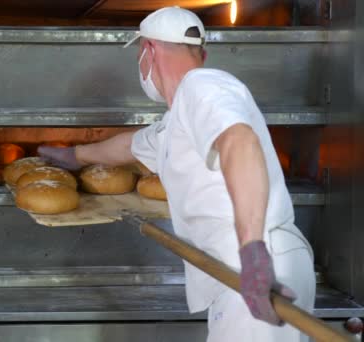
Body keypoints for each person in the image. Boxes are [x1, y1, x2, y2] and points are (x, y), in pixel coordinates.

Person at [38, 7, 315, 342]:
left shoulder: (204, 85)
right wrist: (74, 155)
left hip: (256, 268)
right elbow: (129, 147)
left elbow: (239, 142)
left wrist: (252, 250)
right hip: (243, 271)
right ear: (202, 53)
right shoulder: (181, 116)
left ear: (149, 51)